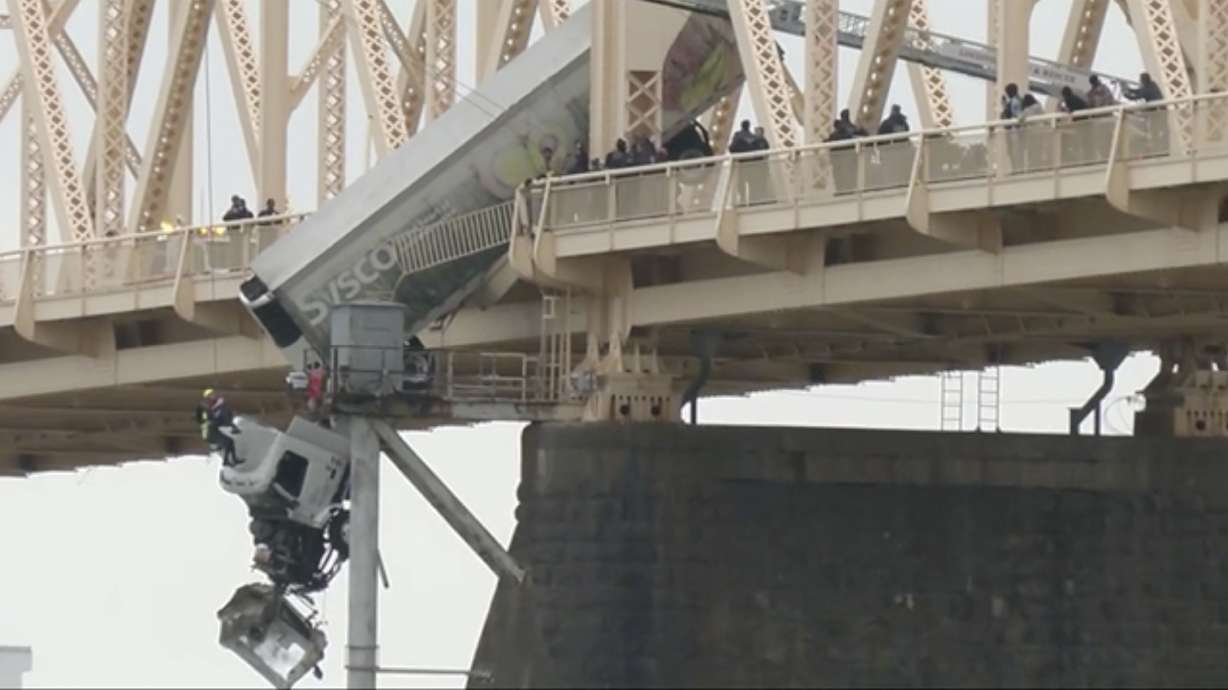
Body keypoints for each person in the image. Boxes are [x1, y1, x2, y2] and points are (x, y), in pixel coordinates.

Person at [196, 388, 239, 466]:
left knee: (230, 441)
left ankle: (233, 459)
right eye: (212, 394)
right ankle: (226, 461)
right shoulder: (204, 405)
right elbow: (209, 412)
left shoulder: (211, 404)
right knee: (228, 442)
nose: (214, 395)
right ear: (208, 396)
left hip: (213, 430)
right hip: (209, 433)